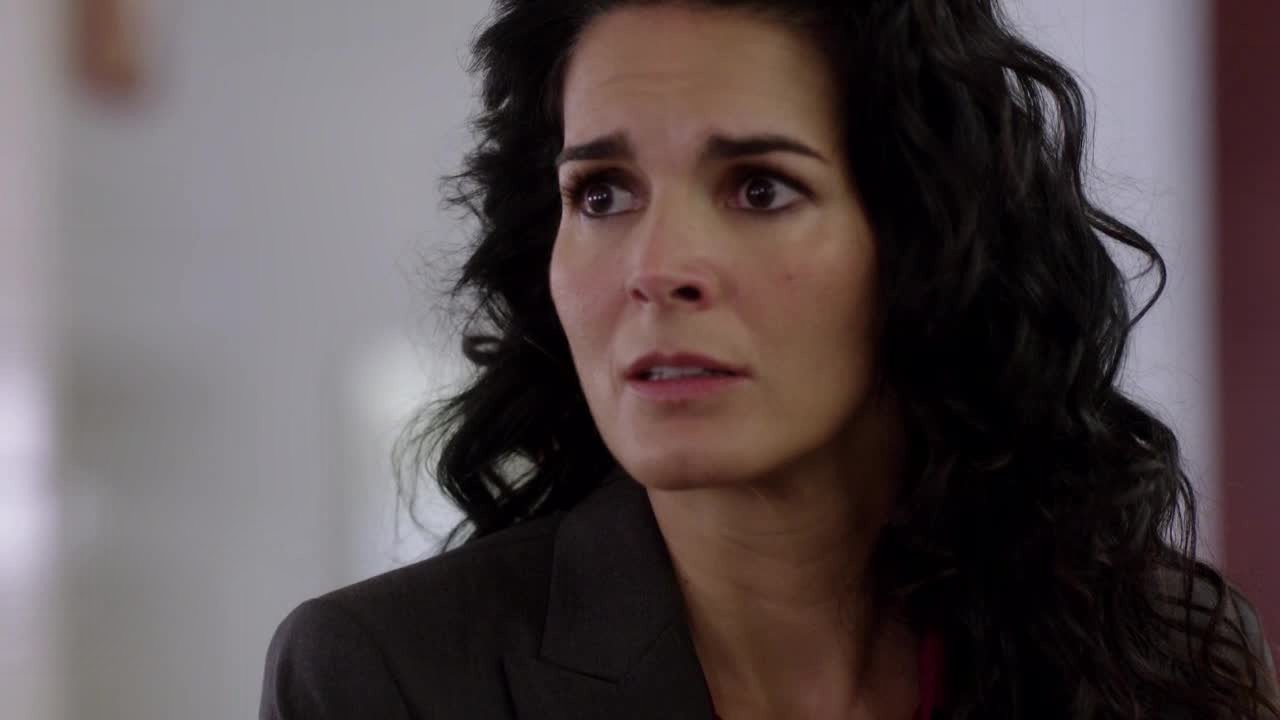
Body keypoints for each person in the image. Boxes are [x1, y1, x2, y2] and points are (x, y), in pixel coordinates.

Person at [259, 1, 1279, 718]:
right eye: (601, 194)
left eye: (758, 189)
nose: (655, 269)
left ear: (926, 241)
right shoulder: (390, 678)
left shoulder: (1160, 654)